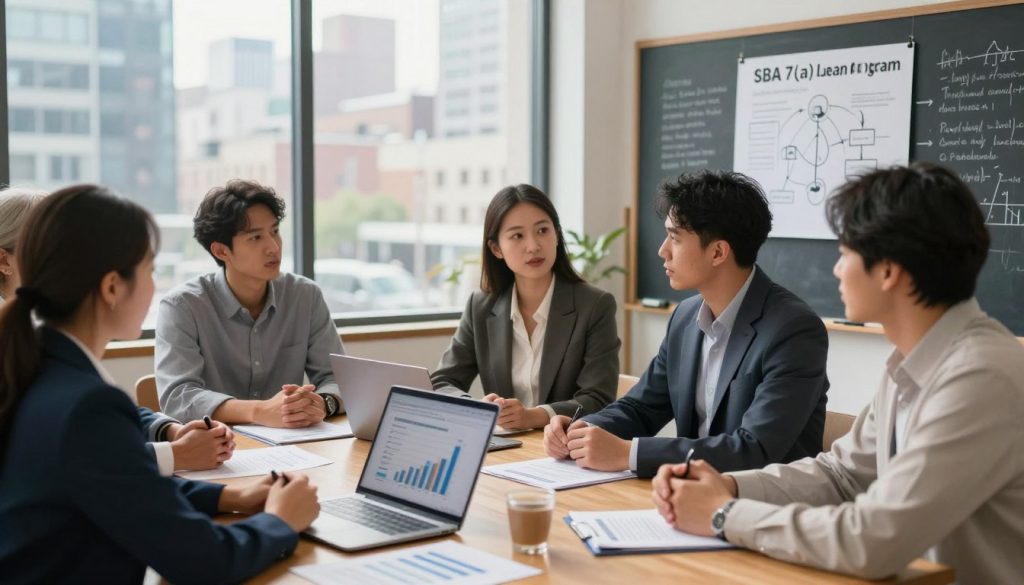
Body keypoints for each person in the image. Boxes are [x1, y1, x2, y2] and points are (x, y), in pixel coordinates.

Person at [652, 163, 1024, 583]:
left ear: (888, 271)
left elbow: (874, 540)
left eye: (845, 253)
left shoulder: (979, 378)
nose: (835, 270)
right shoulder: (915, 363)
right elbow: (841, 475)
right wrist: (729, 486)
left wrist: (724, 515)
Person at [0, 184, 321, 583]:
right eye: (150, 271)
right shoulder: (86, 405)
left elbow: (121, 485)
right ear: (112, 287)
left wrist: (228, 496)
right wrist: (280, 521)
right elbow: (204, 561)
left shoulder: (36, 367)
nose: (155, 287)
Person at [545, 170, 829, 476]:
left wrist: (629, 454)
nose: (662, 250)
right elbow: (641, 408)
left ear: (718, 251)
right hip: (689, 497)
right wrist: (583, 430)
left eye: (675, 238)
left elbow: (754, 449)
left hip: (763, 509)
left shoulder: (794, 330)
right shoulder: (685, 317)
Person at [0, 187, 233, 473]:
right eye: (48, 248)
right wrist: (174, 455)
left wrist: (167, 430)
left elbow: (97, 414)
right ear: (4, 261)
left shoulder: (40, 325)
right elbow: (71, 458)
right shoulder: (20, 337)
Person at [156, 180, 345, 427]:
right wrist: (259, 411)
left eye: (275, 231)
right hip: (217, 449)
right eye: (256, 237)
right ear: (221, 251)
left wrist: (322, 403)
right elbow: (178, 396)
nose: (274, 247)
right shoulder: (182, 307)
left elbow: (337, 377)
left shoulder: (304, 296)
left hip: (295, 444)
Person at [431, 184, 620, 430]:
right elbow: (442, 382)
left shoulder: (595, 305)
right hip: (506, 448)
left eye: (543, 230)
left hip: (566, 448)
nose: (533, 246)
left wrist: (534, 416)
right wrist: (479, 409)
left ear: (557, 235)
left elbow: (598, 399)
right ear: (496, 248)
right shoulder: (480, 306)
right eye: (517, 236)